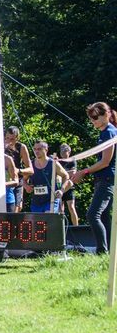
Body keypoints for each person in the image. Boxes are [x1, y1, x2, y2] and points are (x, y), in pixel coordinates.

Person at [72, 102, 117, 254]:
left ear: (106, 115)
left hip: (107, 180)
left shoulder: (109, 133)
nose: (93, 121)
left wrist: (83, 172)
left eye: (95, 117)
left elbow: (105, 162)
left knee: (93, 215)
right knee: (103, 216)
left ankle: (102, 251)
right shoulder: (105, 132)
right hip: (104, 179)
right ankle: (109, 252)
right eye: (91, 118)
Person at [24, 140, 70, 214]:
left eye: (39, 149)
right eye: (35, 149)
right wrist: (26, 186)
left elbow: (66, 176)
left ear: (46, 150)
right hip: (36, 202)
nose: (36, 151)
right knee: (38, 221)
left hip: (51, 200)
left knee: (47, 217)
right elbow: (23, 180)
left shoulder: (53, 163)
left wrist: (62, 190)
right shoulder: (31, 165)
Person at [5, 126, 33, 211]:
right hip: (5, 182)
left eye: (12, 139)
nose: (9, 141)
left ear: (17, 138)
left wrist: (18, 171)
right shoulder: (0, 146)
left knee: (16, 209)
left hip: (17, 182)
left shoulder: (21, 147)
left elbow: (31, 170)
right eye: (7, 138)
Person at [57, 144, 79, 225]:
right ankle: (61, 227)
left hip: (69, 187)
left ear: (69, 152)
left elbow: (73, 172)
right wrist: (65, 174)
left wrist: (63, 174)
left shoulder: (72, 160)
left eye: (64, 151)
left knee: (71, 207)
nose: (62, 153)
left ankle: (76, 227)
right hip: (60, 186)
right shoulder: (59, 162)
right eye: (61, 151)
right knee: (60, 209)